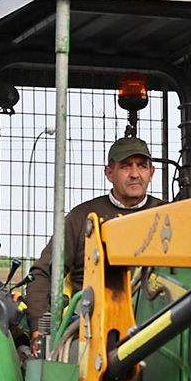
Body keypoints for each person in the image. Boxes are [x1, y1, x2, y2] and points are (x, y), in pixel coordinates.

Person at [24, 136, 162, 355]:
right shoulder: (81, 218)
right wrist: (39, 329)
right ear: (109, 173)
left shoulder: (169, 216)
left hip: (159, 321)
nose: (135, 174)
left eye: (142, 166)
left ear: (151, 173)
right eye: (126, 166)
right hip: (92, 326)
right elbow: (42, 273)